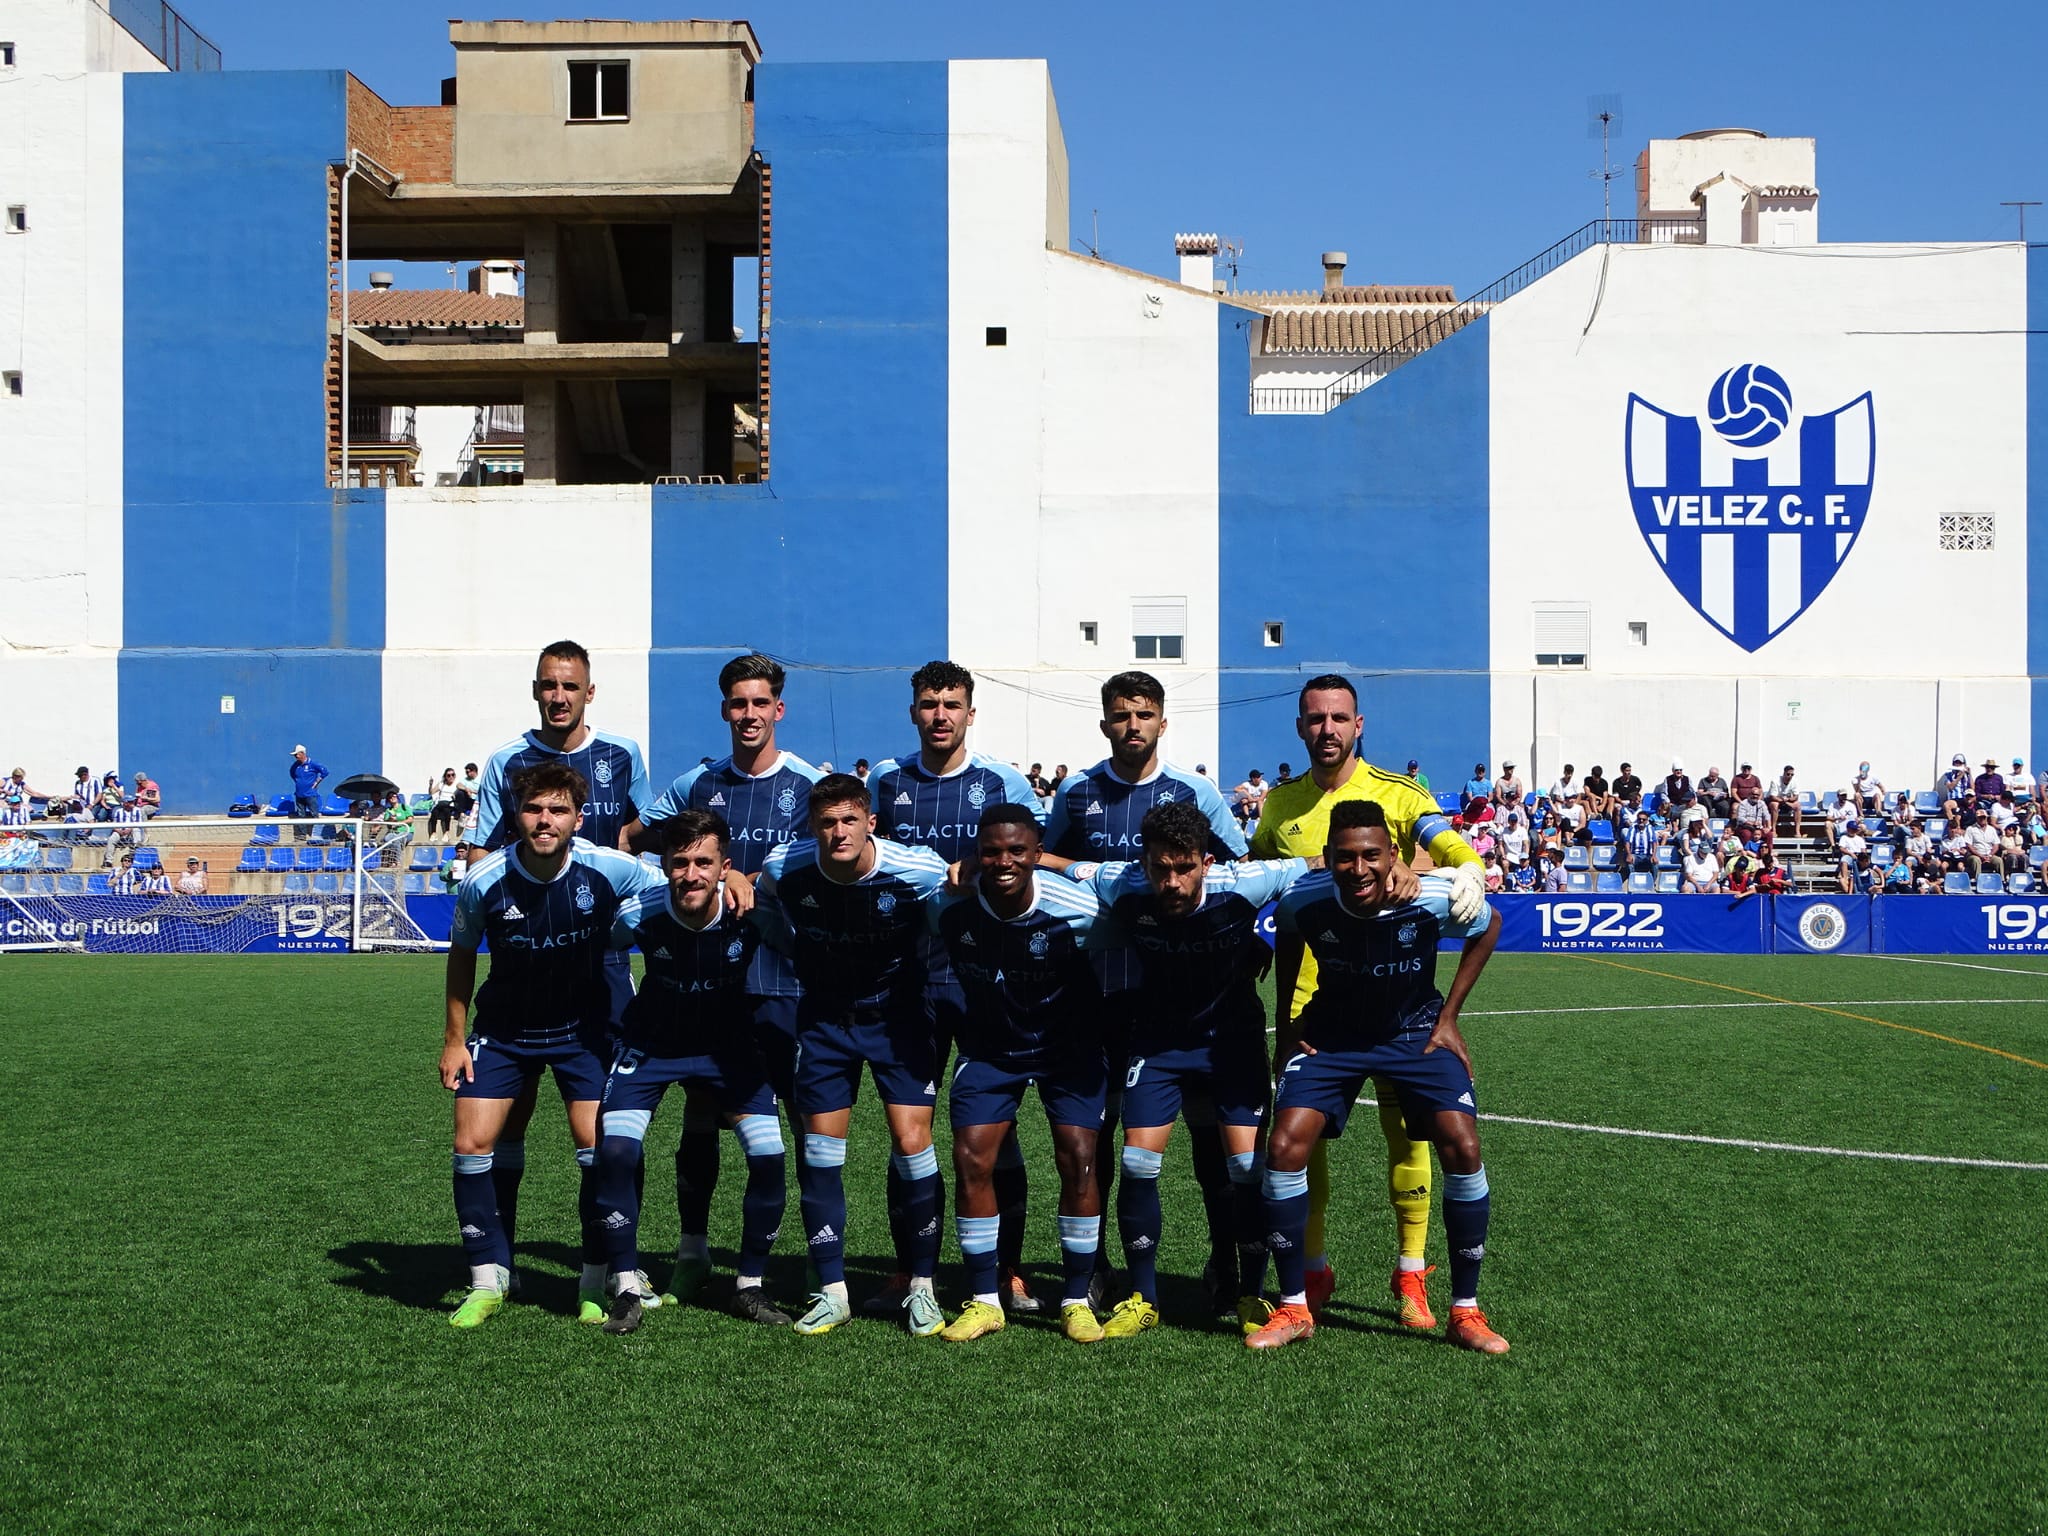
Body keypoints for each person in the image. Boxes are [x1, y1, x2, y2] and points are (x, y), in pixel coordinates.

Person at [1252, 674, 1483, 1329]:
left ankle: (1412, 1274)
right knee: (1304, 1145)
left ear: (1359, 726)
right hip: (1315, 1008)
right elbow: (1271, 891)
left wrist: (1444, 871)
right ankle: (1313, 1271)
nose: (1327, 729)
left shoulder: (1400, 795)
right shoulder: (1279, 807)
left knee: (1409, 1135)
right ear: (1301, 727)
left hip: (1397, 1005)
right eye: (1315, 719)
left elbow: (1460, 858)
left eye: (1339, 718)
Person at [1061, 802, 1310, 1338]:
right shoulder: (1120, 881)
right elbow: (1060, 864)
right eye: (1160, 868)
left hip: (1232, 1041)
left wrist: (1415, 868)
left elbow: (1317, 862)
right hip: (1158, 1040)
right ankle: (1143, 1296)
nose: (1171, 882)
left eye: (1184, 868)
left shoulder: (1245, 881)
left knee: (1246, 1169)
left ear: (1206, 860)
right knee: (1136, 1163)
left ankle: (1249, 1294)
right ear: (1143, 862)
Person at [1044, 671, 1247, 1309]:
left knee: (1211, 1137)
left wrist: (1251, 946)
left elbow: (1236, 875)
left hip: (1182, 996)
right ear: (1105, 723)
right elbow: (1042, 862)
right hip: (1098, 992)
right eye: (1122, 715)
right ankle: (1099, 1261)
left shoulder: (1197, 792)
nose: (1133, 726)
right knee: (1097, 1134)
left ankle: (1225, 1257)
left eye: (1145, 714)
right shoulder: (1077, 792)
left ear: (1163, 721)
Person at [439, 762, 665, 1329]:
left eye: (557, 810)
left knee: (601, 1148)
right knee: (471, 1143)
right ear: (517, 817)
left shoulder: (610, 868)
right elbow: (462, 955)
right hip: (506, 1031)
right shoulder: (484, 879)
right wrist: (454, 1041)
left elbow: (679, 890)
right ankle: (488, 1279)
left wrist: (726, 882)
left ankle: (596, 1280)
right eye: (534, 809)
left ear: (577, 818)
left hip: (582, 1032)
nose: (545, 820)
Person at [635, 652, 821, 1305]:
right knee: (700, 1115)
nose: (748, 715)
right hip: (710, 987)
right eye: (737, 704)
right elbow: (643, 834)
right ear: (724, 710)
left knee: (801, 1126)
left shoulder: (807, 787)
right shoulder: (697, 786)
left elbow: (822, 869)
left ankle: (800, 1264)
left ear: (779, 709)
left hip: (786, 982)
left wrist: (752, 876)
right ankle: (692, 1252)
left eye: (759, 703)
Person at [470, 641, 655, 1275]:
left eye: (569, 686)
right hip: (526, 966)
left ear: (588, 692)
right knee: (507, 1120)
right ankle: (501, 1261)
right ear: (535, 690)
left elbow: (639, 840)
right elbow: (479, 856)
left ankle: (611, 1266)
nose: (559, 697)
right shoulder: (506, 761)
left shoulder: (623, 754)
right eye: (549, 685)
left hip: (601, 968)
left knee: (609, 1129)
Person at [866, 661, 1044, 1315]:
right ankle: (908, 1271)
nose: (940, 714)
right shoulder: (886, 781)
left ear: (971, 712)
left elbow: (1037, 862)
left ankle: (1010, 1271)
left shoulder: (1003, 781)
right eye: (928, 703)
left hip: (984, 982)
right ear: (913, 711)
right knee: (906, 1130)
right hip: (906, 980)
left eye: (952, 704)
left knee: (998, 1131)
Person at [754, 773, 951, 1337]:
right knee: (820, 1153)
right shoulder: (785, 868)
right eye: (826, 823)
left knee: (913, 1147)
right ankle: (833, 1290)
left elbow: (950, 914)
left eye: (848, 820)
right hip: (824, 1024)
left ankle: (922, 1287)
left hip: (900, 1022)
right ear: (812, 826)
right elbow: (764, 901)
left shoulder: (917, 870)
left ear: (871, 822)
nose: (838, 832)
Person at [591, 809, 790, 1333]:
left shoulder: (751, 912)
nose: (691, 874)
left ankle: (749, 1285)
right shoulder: (641, 913)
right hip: (653, 1044)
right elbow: (596, 949)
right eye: (680, 863)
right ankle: (627, 1285)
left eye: (704, 862)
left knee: (769, 1156)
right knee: (615, 1150)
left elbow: (798, 948)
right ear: (664, 865)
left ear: (724, 866)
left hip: (728, 1047)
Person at [933, 805, 1116, 1344]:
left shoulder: (1078, 908)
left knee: (1080, 1159)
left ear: (1038, 855)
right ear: (975, 854)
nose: (1004, 860)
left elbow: (1133, 927)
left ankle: (1077, 1297)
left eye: (1017, 851)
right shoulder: (950, 907)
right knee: (971, 1158)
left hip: (1069, 1048)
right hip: (992, 1049)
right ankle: (984, 1299)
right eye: (992, 851)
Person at [289, 747, 327, 836]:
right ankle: (302, 835)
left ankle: (316, 834)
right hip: (299, 795)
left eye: (297, 754)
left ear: (302, 753)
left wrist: (317, 782)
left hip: (310, 794)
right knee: (301, 815)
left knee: (314, 814)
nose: (295, 756)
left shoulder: (313, 764)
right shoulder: (295, 766)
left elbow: (325, 772)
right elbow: (292, 774)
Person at [428, 768, 462, 840]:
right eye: (448, 775)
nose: (451, 777)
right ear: (445, 776)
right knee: (434, 812)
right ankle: (434, 833)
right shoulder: (441, 784)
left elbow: (462, 788)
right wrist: (430, 785)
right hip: (441, 803)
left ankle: (447, 832)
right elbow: (431, 792)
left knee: (446, 811)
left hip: (450, 803)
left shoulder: (457, 784)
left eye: (453, 775)